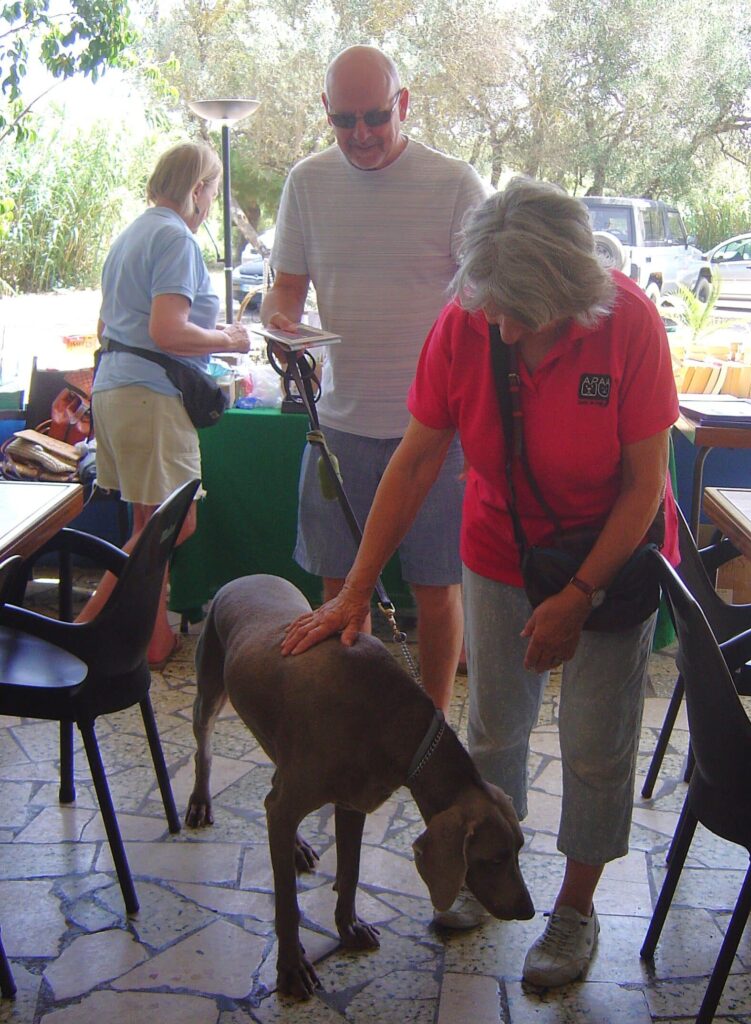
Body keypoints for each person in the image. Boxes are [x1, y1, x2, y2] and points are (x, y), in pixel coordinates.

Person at [279, 177, 681, 988]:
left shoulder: (628, 323)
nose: (501, 325)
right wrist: (355, 588)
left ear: (567, 294)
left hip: (613, 556)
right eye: (492, 305)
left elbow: (646, 484)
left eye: (519, 311)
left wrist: (579, 597)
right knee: (496, 726)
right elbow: (416, 460)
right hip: (503, 549)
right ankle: (482, 860)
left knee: (595, 743)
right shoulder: (466, 322)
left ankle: (574, 910)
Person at [261, 44, 488, 711]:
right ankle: (347, 720)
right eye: (344, 119)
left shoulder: (455, 183)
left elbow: (485, 302)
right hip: (340, 424)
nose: (360, 133)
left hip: (436, 433)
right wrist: (280, 328)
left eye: (375, 117)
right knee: (338, 592)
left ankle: (433, 725)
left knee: (436, 590)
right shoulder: (306, 182)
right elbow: (285, 292)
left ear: (403, 104)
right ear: (326, 111)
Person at [88, 141, 251, 666]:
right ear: (198, 189)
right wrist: (228, 339)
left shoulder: (131, 235)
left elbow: (108, 324)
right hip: (150, 395)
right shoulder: (176, 238)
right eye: (212, 192)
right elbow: (167, 331)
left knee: (147, 520)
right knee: (173, 524)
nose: (210, 205)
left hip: (115, 388)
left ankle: (153, 639)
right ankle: (82, 627)